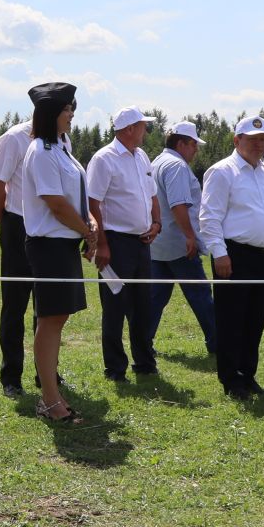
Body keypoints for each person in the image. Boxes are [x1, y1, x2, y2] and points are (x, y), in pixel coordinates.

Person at [198, 116, 264, 398]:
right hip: (234, 254)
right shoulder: (222, 172)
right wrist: (219, 253)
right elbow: (209, 217)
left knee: (255, 320)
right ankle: (231, 380)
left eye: (262, 139)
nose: (258, 144)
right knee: (231, 320)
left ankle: (248, 375)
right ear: (236, 140)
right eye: (252, 139)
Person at [0, 85, 68, 397]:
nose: (70, 114)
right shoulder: (14, 138)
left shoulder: (62, 138)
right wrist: (7, 225)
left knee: (47, 306)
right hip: (19, 225)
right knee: (15, 305)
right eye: (65, 109)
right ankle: (11, 376)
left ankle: (46, 375)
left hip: (48, 230)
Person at [20, 83, 92, 425]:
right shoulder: (42, 151)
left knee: (58, 318)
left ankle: (53, 393)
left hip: (64, 243)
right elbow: (57, 205)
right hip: (49, 245)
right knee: (49, 320)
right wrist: (87, 230)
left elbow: (75, 197)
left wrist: (88, 221)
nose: (72, 115)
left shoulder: (61, 148)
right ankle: (49, 400)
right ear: (51, 115)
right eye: (67, 110)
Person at [86, 107, 162, 381]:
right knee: (115, 306)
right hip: (116, 243)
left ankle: (144, 362)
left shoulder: (141, 156)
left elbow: (152, 195)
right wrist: (102, 245)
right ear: (130, 129)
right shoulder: (104, 159)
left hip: (142, 242)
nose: (146, 131)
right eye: (143, 126)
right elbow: (93, 203)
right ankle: (115, 368)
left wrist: (156, 224)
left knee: (143, 305)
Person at [147, 120, 217, 355]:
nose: (196, 149)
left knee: (156, 298)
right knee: (201, 295)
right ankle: (218, 342)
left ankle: (143, 343)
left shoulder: (157, 161)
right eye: (193, 144)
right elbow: (178, 205)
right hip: (178, 242)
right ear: (181, 143)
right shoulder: (176, 166)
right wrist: (190, 236)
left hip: (159, 244)